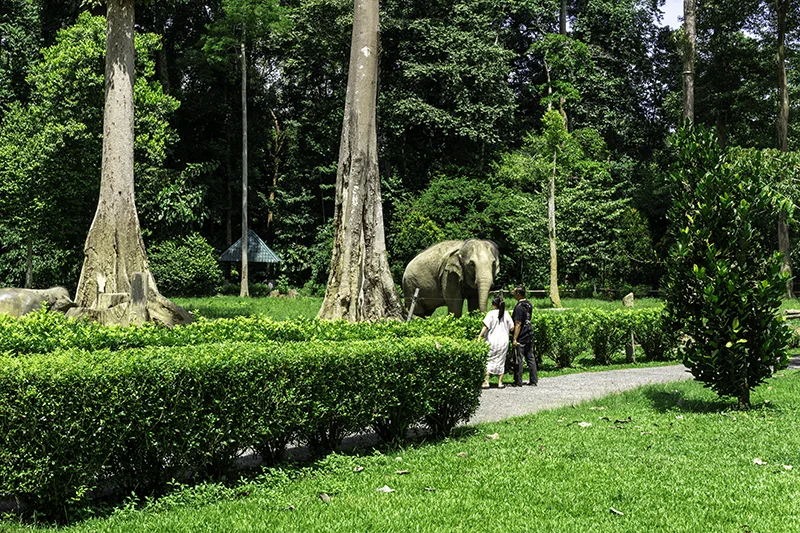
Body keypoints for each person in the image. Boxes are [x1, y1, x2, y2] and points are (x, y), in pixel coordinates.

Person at [477, 295, 513, 389]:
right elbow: (512, 327)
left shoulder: (491, 314)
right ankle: (500, 383)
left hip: (492, 340)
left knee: (488, 360)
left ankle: (486, 382)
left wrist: (479, 336)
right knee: (501, 360)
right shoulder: (506, 313)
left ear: (493, 304)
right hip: (504, 341)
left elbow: (485, 326)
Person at [511, 285, 537, 386]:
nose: (513, 294)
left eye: (514, 292)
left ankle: (518, 381)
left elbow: (518, 323)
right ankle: (534, 380)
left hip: (521, 335)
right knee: (530, 357)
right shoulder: (529, 304)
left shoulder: (519, 307)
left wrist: (515, 338)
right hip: (529, 332)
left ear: (518, 293)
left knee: (518, 358)